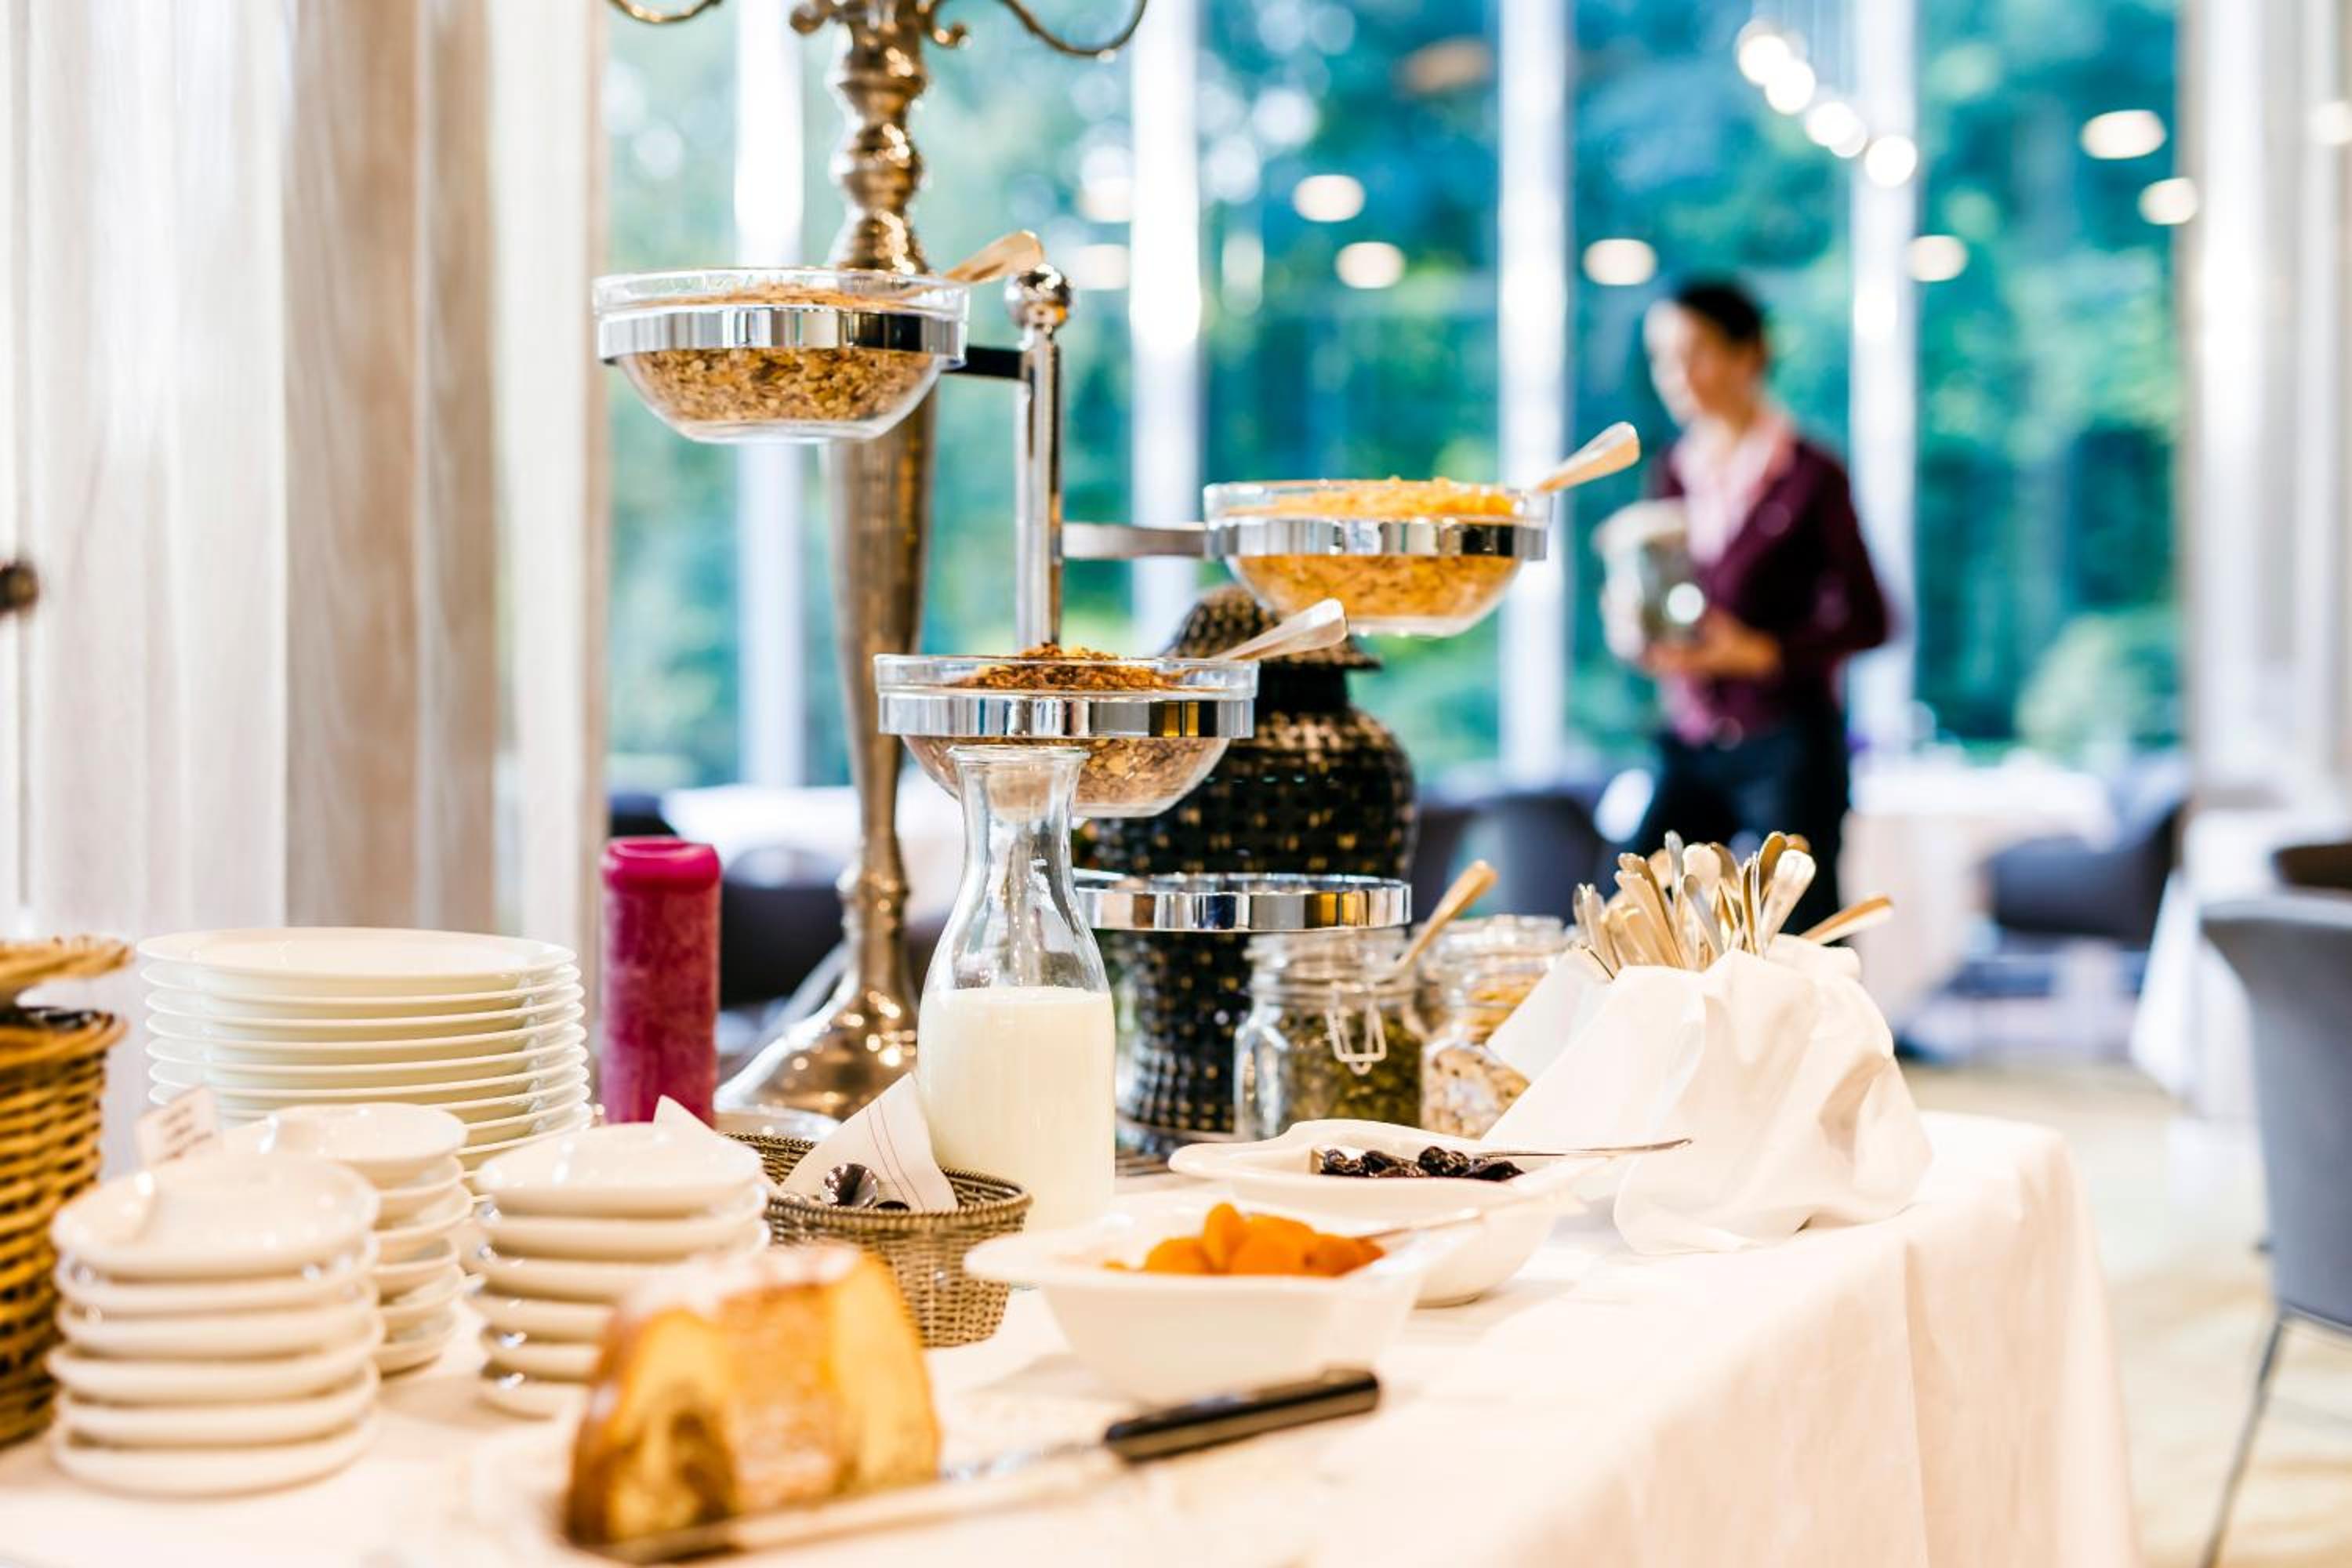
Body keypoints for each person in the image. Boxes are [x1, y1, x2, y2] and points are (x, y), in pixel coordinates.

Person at [1611, 278, 1889, 932]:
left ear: (1750, 354)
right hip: (1695, 737)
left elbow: (1871, 618)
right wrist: (1641, 627)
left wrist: (1763, 653)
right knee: (1631, 908)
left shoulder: (1810, 475)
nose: (1678, 376)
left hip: (1788, 740)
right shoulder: (1674, 470)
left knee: (1800, 930)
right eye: (1663, 358)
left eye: (1697, 353)